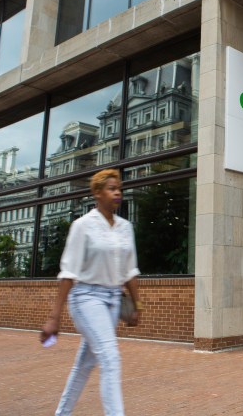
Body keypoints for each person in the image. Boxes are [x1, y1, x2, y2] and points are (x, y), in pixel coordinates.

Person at [40, 168, 142, 416]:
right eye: (111, 188)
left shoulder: (125, 227)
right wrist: (54, 317)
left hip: (113, 300)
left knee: (85, 364)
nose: (117, 192)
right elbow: (68, 273)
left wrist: (138, 305)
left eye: (119, 188)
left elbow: (129, 270)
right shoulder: (82, 226)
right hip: (86, 298)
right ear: (97, 193)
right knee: (110, 358)